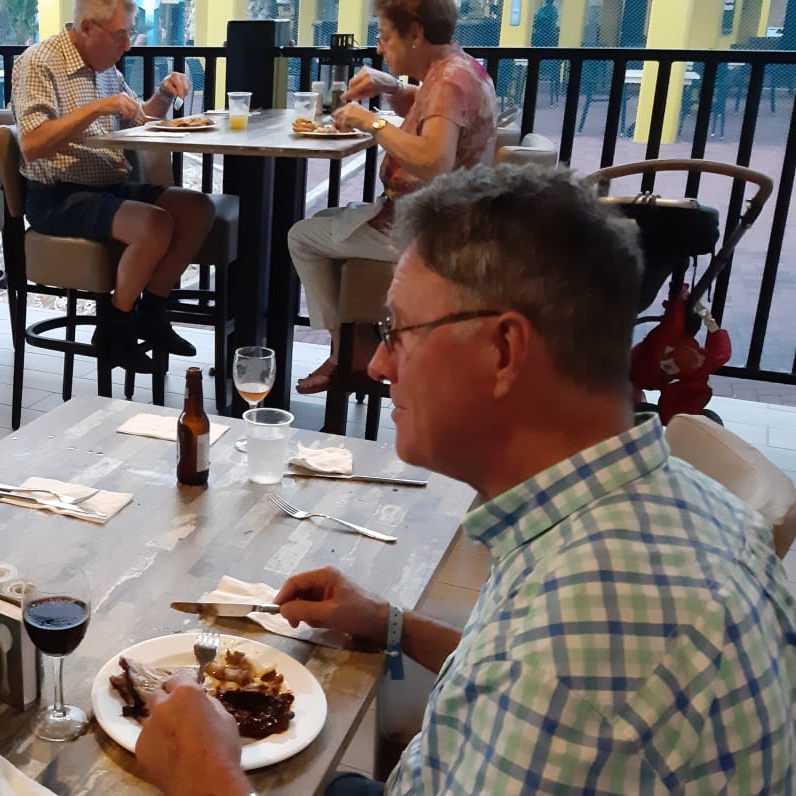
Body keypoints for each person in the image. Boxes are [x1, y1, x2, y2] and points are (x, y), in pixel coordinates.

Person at [137, 165, 796, 795]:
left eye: (398, 331)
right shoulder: (653, 510)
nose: (380, 365)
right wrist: (392, 624)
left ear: (504, 351)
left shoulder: (577, 656)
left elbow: (554, 682)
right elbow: (511, 676)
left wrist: (208, 783)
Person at [288, 0, 496, 394]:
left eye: (384, 37)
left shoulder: (449, 81)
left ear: (415, 33)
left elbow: (434, 160)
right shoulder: (460, 68)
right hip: (447, 220)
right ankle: (358, 341)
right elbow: (426, 108)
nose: (379, 47)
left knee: (301, 236)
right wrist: (392, 85)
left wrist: (370, 121)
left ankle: (346, 352)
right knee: (328, 220)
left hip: (429, 233)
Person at [11, 0, 216, 372]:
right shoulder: (38, 62)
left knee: (197, 208)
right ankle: (115, 330)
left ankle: (151, 312)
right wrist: (97, 107)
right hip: (58, 196)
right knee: (154, 223)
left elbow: (140, 117)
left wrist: (164, 95)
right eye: (121, 35)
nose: (128, 45)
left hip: (109, 186)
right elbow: (32, 143)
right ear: (88, 27)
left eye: (130, 34)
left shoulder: (105, 65)